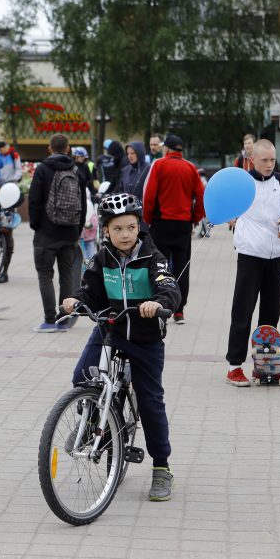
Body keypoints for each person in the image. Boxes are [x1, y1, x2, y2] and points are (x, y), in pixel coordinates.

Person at [62, 192, 181, 501]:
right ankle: (92, 424)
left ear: (138, 225)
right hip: (109, 330)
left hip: (144, 339)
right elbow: (88, 287)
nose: (125, 234)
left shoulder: (153, 258)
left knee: (151, 402)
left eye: (130, 227)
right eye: (117, 229)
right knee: (82, 376)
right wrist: (77, 299)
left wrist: (158, 302)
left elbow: (168, 285)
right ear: (106, 231)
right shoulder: (100, 258)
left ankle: (161, 468)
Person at [224, 140, 280, 386]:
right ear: (253, 160)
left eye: (273, 160)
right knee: (242, 311)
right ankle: (234, 366)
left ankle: (266, 366)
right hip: (250, 254)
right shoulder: (242, 184)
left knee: (271, 312)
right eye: (264, 160)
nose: (269, 165)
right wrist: (230, 217)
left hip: (277, 255)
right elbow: (226, 205)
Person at [141, 134, 205, 324]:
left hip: (161, 223)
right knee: (182, 266)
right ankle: (179, 310)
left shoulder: (159, 165)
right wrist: (195, 219)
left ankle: (161, 305)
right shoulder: (190, 168)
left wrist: (148, 219)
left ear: (167, 149)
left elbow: (149, 195)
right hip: (183, 224)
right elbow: (201, 196)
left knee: (159, 266)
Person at [28, 133, 87, 333]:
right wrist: (77, 230)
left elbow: (34, 201)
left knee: (45, 275)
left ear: (49, 148)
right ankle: (64, 320)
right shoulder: (76, 171)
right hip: (70, 233)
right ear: (68, 149)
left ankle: (49, 320)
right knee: (67, 276)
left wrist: (36, 226)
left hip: (46, 232)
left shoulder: (43, 169)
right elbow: (84, 205)